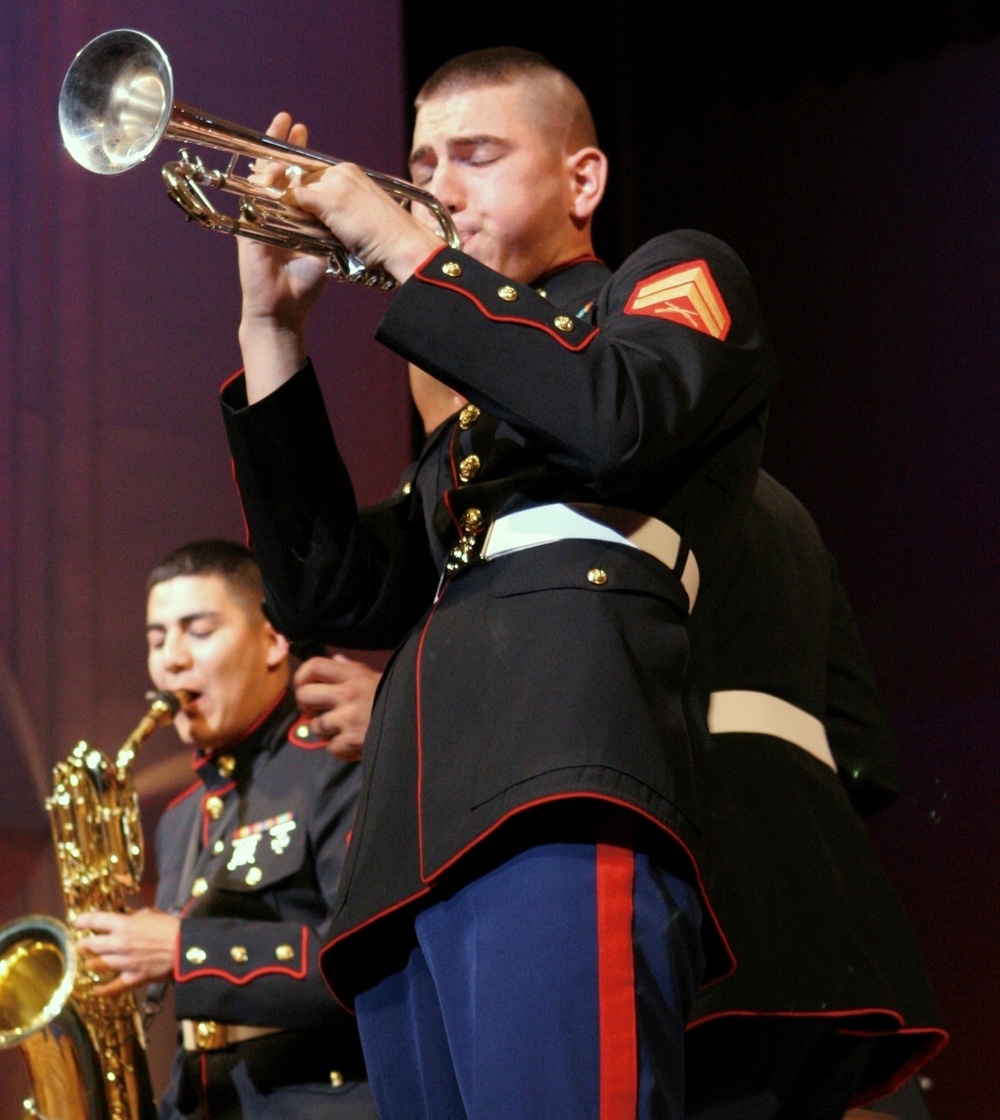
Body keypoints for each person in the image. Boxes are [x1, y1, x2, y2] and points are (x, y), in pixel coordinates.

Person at [221, 46, 780, 1119]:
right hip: (407, 856)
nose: (436, 187)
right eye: (422, 161)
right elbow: (324, 593)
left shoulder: (660, 282)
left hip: (554, 792)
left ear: (582, 181)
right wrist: (271, 329)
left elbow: (613, 418)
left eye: (476, 155)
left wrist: (400, 248)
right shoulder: (481, 413)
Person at [73, 540, 377, 1120]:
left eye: (199, 630)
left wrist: (184, 948)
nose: (172, 661)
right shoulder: (184, 815)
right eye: (157, 640)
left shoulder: (338, 764)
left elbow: (365, 964)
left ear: (273, 640)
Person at [683, 473, 947, 1119]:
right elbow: (868, 755)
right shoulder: (788, 509)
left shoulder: (627, 472)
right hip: (833, 897)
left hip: (712, 876)